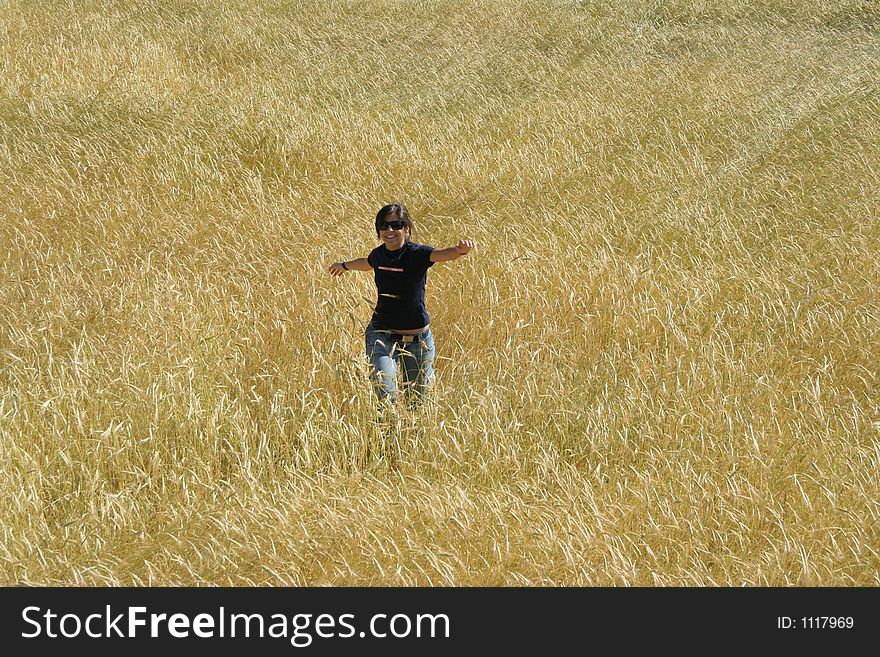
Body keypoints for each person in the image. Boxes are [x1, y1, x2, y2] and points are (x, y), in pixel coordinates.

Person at [329, 203, 475, 406]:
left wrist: (460, 251)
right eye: (384, 226)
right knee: (385, 394)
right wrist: (344, 266)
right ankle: (387, 435)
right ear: (379, 231)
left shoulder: (417, 254)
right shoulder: (378, 255)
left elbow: (441, 254)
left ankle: (412, 436)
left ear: (406, 229)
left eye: (396, 225)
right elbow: (367, 263)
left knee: (417, 403)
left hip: (419, 341)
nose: (389, 230)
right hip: (382, 337)